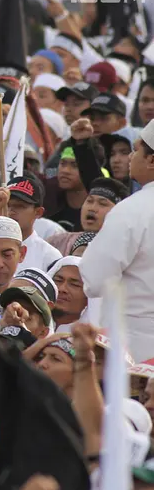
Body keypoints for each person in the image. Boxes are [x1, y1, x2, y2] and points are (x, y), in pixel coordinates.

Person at [81, 122, 154, 358]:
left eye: (135, 151)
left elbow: (95, 279)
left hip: (133, 349)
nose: (131, 157)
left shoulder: (133, 209)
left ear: (151, 160)